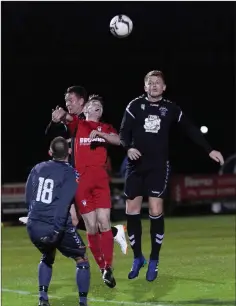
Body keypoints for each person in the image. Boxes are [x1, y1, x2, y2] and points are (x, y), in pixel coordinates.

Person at [119, 70, 224, 282]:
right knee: (132, 210)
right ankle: (138, 257)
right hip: (136, 166)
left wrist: (209, 149)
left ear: (164, 87)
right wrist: (128, 147)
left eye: (158, 82)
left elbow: (190, 129)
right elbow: (123, 132)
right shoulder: (134, 106)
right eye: (150, 82)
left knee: (156, 209)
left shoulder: (171, 108)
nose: (154, 85)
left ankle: (154, 260)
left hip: (158, 166)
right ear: (145, 86)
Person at [46, 85, 128, 254]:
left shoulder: (86, 123)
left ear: (82, 102)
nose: (67, 103)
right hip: (72, 175)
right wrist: (57, 119)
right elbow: (57, 130)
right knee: (75, 219)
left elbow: (114, 140)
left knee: (78, 220)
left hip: (84, 177)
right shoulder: (75, 122)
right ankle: (111, 234)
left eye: (71, 100)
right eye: (66, 100)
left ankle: (54, 249)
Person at [52, 95, 121, 288]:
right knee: (91, 227)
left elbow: (119, 140)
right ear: (85, 110)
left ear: (101, 111)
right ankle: (102, 268)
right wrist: (61, 114)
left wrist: (103, 136)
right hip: (81, 183)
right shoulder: (79, 125)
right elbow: (67, 118)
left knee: (105, 222)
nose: (96, 106)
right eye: (92, 104)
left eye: (99, 105)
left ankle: (108, 266)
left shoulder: (106, 128)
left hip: (100, 181)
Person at [26, 137, 90, 306]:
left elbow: (28, 195)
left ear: (50, 152)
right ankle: (83, 305)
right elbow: (63, 205)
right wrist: (56, 230)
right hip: (54, 225)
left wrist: (32, 216)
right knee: (82, 259)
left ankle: (43, 300)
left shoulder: (37, 168)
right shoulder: (70, 173)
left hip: (33, 224)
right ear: (69, 152)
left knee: (47, 255)